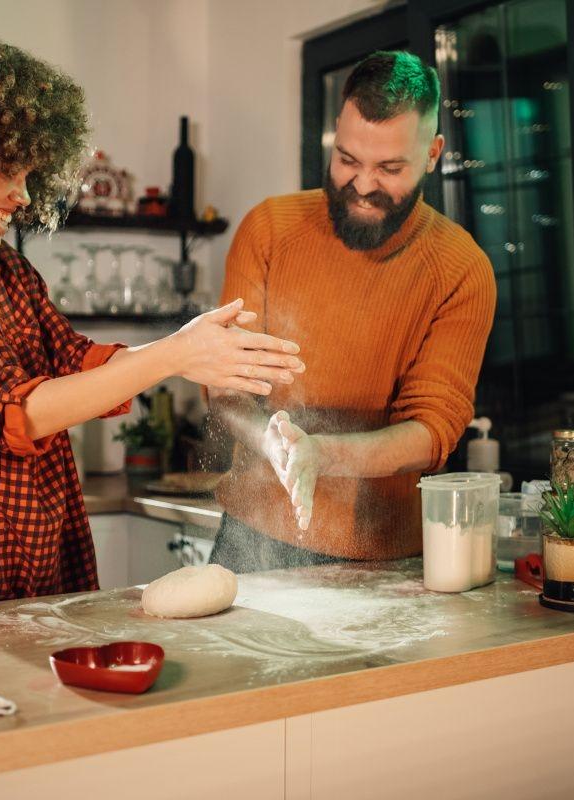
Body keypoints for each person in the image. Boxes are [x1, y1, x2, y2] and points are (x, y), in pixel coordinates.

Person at [0, 31, 304, 611]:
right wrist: (175, 354)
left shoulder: (6, 273)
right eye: (7, 172)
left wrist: (201, 352)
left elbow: (77, 365)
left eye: (30, 175)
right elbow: (22, 411)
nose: (23, 196)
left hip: (41, 579)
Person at [208, 50, 495, 573]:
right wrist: (272, 445)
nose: (363, 185)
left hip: (384, 556)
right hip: (252, 536)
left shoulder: (461, 269)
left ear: (432, 154)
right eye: (347, 160)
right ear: (334, 136)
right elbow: (226, 389)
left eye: (389, 168)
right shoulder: (269, 230)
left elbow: (434, 428)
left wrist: (323, 455)